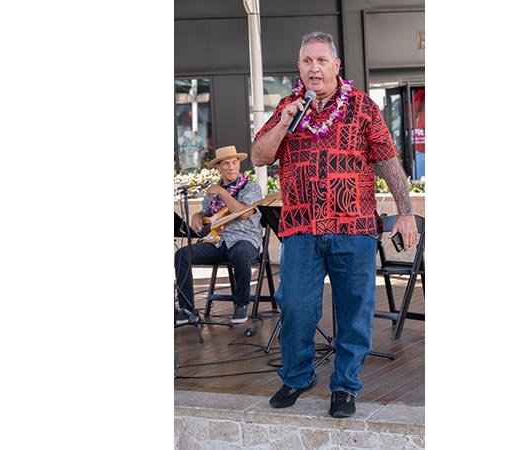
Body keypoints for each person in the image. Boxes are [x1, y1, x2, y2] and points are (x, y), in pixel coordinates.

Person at [251, 31, 419, 418]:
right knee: (295, 305)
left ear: (336, 65)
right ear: (298, 68)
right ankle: (296, 376)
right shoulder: (287, 108)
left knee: (355, 309)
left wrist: (405, 211)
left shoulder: (361, 106)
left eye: (321, 61)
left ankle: (344, 386)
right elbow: (260, 156)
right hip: (300, 227)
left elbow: (388, 161)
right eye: (307, 61)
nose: (314, 68)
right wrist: (283, 124)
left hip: (354, 225)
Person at [174, 145, 263, 325]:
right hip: (218, 241)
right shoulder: (213, 192)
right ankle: (187, 309)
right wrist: (197, 216)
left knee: (240, 252)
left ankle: (241, 304)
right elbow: (206, 213)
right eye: (226, 163)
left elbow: (243, 213)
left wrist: (222, 192)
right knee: (182, 254)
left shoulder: (250, 188)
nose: (231, 167)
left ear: (239, 164)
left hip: (245, 239)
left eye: (234, 162)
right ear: (218, 168)